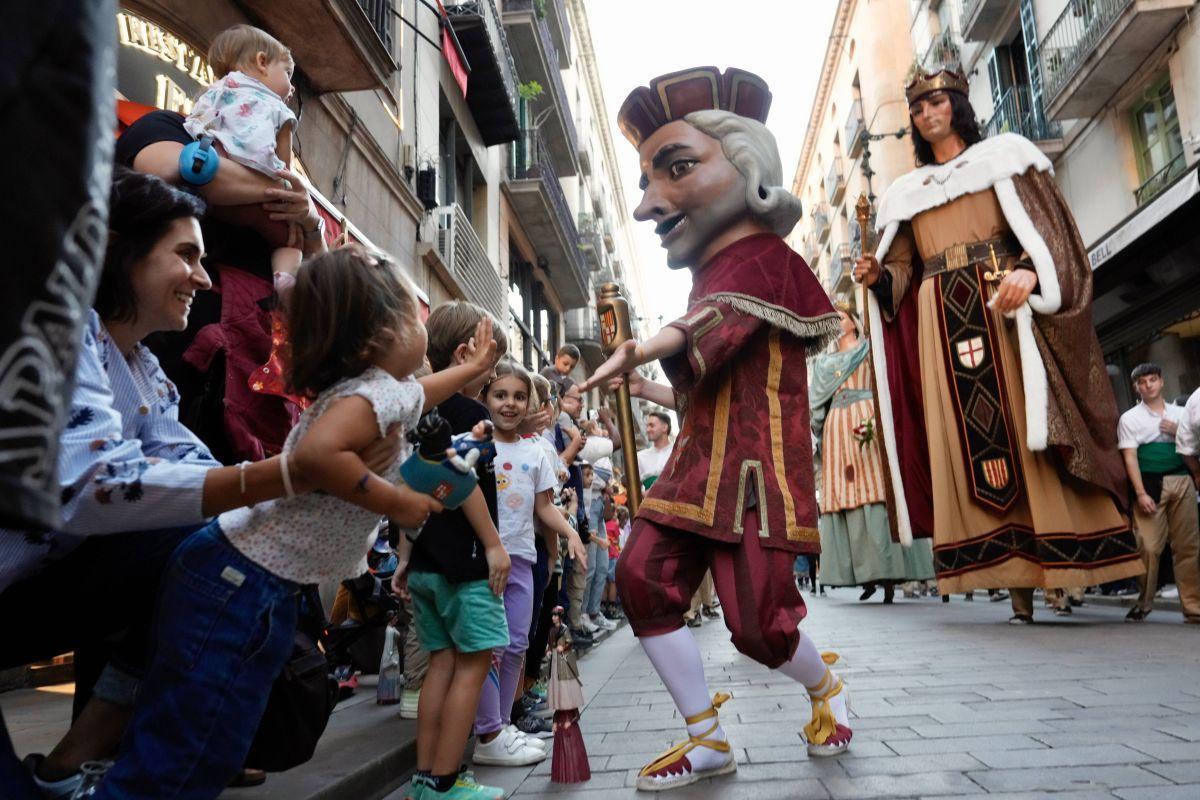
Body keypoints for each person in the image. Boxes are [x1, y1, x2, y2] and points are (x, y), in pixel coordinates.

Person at [0, 171, 404, 799]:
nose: (205, 279)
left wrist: (310, 491)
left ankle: (78, 760)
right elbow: (89, 485)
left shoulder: (145, 369)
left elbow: (200, 480)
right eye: (186, 255)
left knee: (214, 539)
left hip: (37, 592)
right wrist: (296, 471)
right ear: (115, 250)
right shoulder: (54, 328)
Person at [90, 247, 491, 799]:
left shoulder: (384, 390)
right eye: (412, 317)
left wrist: (470, 370)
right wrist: (396, 504)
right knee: (190, 743)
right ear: (378, 337)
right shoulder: (362, 395)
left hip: (257, 581)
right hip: (238, 580)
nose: (421, 331)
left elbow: (422, 393)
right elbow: (318, 457)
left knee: (216, 739)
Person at [585, 66, 850, 791]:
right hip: (699, 467)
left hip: (757, 478)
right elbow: (715, 385)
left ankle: (825, 691)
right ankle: (705, 739)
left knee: (761, 629)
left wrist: (645, 347)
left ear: (748, 166)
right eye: (646, 181)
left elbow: (716, 322)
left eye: (676, 170)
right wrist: (644, 381)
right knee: (639, 576)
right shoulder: (713, 270)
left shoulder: (767, 260)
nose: (647, 206)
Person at [852, 67, 1143, 624]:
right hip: (942, 323)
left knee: (1027, 431)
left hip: (1003, 313)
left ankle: (1061, 570)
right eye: (916, 108)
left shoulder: (1007, 157)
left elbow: (1052, 235)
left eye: (936, 101)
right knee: (965, 446)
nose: (925, 113)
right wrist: (876, 278)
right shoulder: (905, 195)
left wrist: (1032, 272)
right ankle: (1012, 586)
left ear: (957, 105)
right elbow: (902, 274)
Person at [396, 300, 520, 799]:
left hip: (425, 562)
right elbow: (461, 483)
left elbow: (411, 486)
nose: (491, 380)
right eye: (492, 363)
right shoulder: (469, 413)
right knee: (474, 661)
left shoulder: (416, 410)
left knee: (441, 663)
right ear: (469, 352)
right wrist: (494, 546)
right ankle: (446, 784)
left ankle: (426, 781)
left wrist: (404, 558)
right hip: (465, 566)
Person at [472, 362, 587, 768]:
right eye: (500, 395)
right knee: (492, 647)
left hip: (523, 557)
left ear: (530, 403)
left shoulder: (536, 452)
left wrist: (570, 534)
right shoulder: (475, 443)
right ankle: (489, 729)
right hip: (485, 561)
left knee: (518, 644)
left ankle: (503, 725)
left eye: (519, 396)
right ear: (485, 398)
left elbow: (544, 508)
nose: (510, 404)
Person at [809, 307, 935, 603]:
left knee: (878, 491)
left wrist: (882, 421)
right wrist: (820, 431)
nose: (836, 323)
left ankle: (890, 573)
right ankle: (860, 572)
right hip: (837, 431)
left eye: (839, 317)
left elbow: (886, 382)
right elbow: (816, 407)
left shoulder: (870, 349)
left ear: (854, 322)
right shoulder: (824, 364)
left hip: (869, 422)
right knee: (845, 496)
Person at [183, 25, 303, 275]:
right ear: (262, 62)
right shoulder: (279, 111)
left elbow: (196, 127)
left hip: (217, 190)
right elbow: (285, 173)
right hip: (259, 202)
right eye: (288, 73)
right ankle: (285, 281)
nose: (291, 87)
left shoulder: (214, 92)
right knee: (291, 242)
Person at [1117, 363, 1200, 623]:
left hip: (1182, 479)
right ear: (1136, 387)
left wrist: (1178, 432)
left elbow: (1191, 445)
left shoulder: (1182, 412)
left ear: (1162, 382)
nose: (1149, 385)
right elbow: (1129, 457)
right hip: (1150, 484)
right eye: (1143, 382)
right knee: (1149, 546)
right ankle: (1144, 601)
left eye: (1153, 379)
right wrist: (1140, 493)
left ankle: (1193, 608)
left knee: (1188, 547)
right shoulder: (1130, 418)